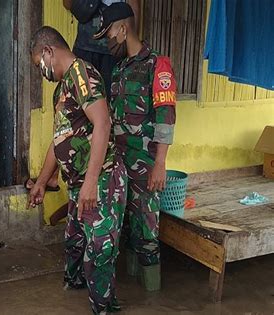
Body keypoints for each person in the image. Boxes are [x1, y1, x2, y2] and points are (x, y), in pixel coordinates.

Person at [28, 26, 127, 314]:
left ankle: (104, 307)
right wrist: (41, 183)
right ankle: (77, 293)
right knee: (74, 243)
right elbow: (58, 140)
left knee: (100, 253)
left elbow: (103, 123)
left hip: (100, 179)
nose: (41, 72)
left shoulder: (82, 74)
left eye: (38, 65)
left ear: (48, 52)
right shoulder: (62, 88)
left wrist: (91, 181)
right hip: (78, 183)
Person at [94, 2, 177, 290]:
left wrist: (160, 164)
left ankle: (153, 295)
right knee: (127, 227)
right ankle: (134, 285)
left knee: (147, 231)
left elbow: (166, 117)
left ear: (123, 28)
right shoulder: (118, 69)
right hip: (119, 163)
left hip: (145, 164)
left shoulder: (157, 64)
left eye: (109, 35)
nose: (107, 42)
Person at [62, 0, 140, 100]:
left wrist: (131, 44)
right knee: (77, 97)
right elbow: (67, 4)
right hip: (85, 45)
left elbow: (134, 7)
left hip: (114, 48)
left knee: (112, 101)